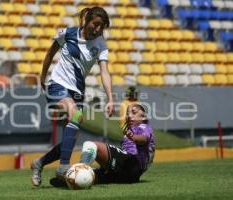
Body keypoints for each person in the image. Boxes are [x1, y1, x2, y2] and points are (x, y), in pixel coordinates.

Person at [30, 6, 114, 187]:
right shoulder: (68, 33)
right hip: (57, 86)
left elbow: (104, 72)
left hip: (77, 93)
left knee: (71, 136)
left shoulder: (100, 45)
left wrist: (110, 98)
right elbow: (50, 52)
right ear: (87, 21)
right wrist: (42, 77)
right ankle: (63, 168)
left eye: (102, 26)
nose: (98, 29)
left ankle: (39, 163)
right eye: (96, 24)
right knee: (74, 113)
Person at [80, 103, 155, 184]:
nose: (129, 116)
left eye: (134, 112)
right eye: (127, 113)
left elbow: (144, 139)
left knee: (91, 145)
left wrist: (134, 137)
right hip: (127, 174)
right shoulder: (130, 131)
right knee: (83, 178)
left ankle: (80, 169)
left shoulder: (144, 127)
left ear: (143, 117)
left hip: (132, 164)